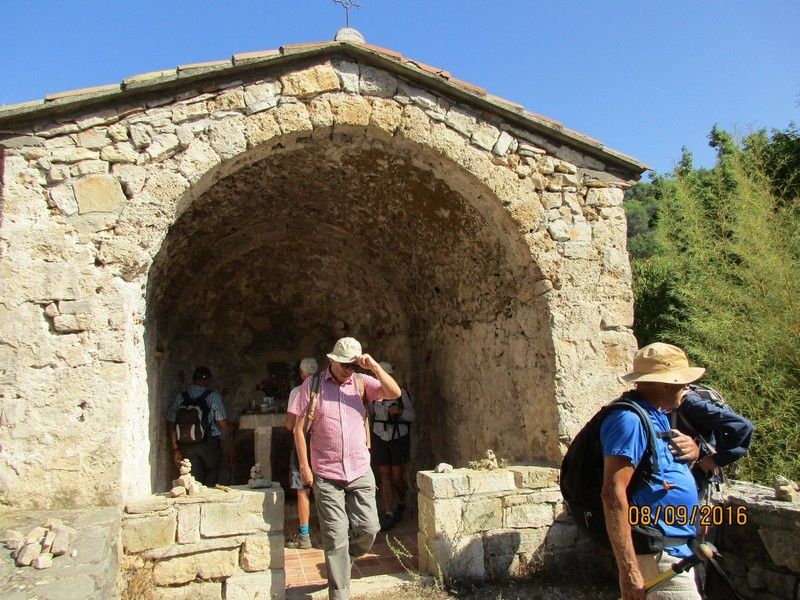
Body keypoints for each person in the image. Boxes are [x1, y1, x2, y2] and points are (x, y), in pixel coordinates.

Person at [290, 337, 401, 600]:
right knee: (335, 534)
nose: (349, 370)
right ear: (332, 360)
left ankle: (343, 558)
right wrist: (305, 467)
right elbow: (297, 429)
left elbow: (395, 393)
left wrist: (373, 367)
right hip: (326, 473)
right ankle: (340, 593)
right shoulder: (312, 386)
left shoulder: (363, 382)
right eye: (344, 365)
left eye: (353, 365)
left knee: (369, 528)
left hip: (360, 469)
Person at [601, 343, 704, 600]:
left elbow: (658, 470)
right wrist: (629, 571)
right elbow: (613, 494)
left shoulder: (655, 414)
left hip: (673, 552)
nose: (686, 390)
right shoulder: (629, 420)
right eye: (682, 384)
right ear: (665, 385)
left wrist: (694, 451)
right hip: (655, 555)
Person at [166, 366, 235, 487]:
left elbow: (171, 424)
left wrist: (175, 449)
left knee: (192, 479)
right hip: (209, 444)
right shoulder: (213, 396)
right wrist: (233, 427)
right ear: (208, 380)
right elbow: (223, 424)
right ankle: (208, 500)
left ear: (193, 379)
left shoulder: (180, 397)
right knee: (211, 474)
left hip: (186, 445)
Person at [370, 361, 415, 532]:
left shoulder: (400, 392)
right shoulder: (373, 394)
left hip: (397, 436)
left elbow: (412, 416)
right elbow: (370, 415)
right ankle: (389, 513)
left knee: (397, 475)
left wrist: (401, 413)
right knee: (384, 474)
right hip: (380, 436)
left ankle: (402, 501)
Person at [284, 357, 319, 549]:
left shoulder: (297, 392)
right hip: (323, 443)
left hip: (303, 442)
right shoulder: (326, 389)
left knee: (302, 489)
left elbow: (291, 425)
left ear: (301, 373)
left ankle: (304, 536)